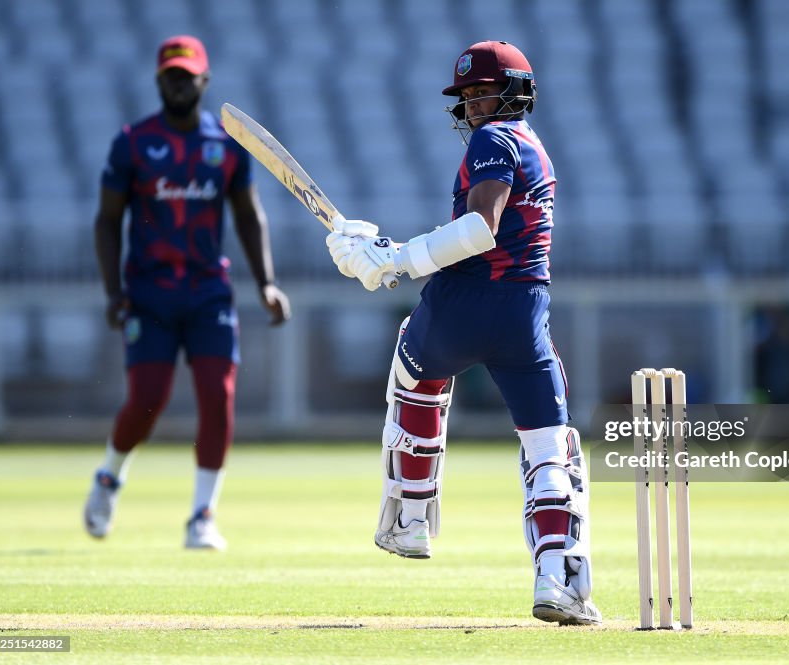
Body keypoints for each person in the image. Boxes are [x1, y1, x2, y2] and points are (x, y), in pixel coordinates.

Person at [326, 41, 601, 625]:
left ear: (515, 91)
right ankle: (560, 580)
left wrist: (394, 257)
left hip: (464, 304)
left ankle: (411, 519)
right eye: (468, 95)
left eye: (484, 91)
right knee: (551, 447)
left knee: (413, 370)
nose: (475, 104)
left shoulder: (493, 138)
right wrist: (385, 253)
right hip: (526, 311)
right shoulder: (535, 147)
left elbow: (480, 228)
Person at [83, 35, 291, 550]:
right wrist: (113, 291)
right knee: (148, 400)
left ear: (204, 80)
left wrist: (265, 281)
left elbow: (248, 215)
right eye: (170, 75)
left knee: (217, 397)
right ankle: (109, 476)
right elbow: (108, 221)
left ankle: (202, 515)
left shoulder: (225, 145)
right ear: (159, 81)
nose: (179, 83)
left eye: (187, 75)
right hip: (149, 295)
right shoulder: (131, 143)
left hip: (207, 294)